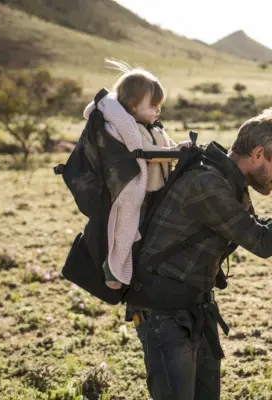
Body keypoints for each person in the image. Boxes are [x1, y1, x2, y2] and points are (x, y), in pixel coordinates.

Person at [123, 108, 272, 400]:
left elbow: (256, 228)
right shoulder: (207, 183)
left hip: (193, 307)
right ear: (258, 154)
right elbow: (260, 240)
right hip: (164, 312)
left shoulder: (229, 182)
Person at [82, 60, 191, 290]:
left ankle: (144, 267)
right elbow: (145, 153)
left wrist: (178, 148)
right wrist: (173, 153)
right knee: (128, 231)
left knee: (149, 231)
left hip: (157, 190)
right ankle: (113, 268)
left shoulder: (155, 127)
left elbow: (166, 144)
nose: (157, 110)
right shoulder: (131, 130)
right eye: (152, 105)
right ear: (132, 106)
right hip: (138, 192)